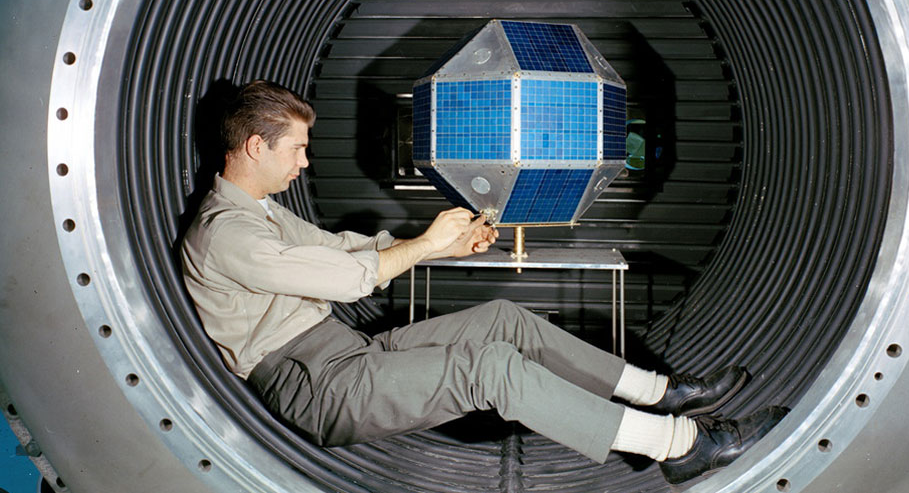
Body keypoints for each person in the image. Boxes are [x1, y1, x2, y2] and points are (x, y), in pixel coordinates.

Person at [181, 80, 786, 484]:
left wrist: (439, 243)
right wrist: (424, 246)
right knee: (490, 368)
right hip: (317, 385)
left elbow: (343, 247)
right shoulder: (226, 233)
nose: (305, 162)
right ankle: (681, 445)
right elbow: (347, 278)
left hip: (344, 354)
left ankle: (660, 393)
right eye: (298, 149)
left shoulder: (260, 212)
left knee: (503, 318)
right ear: (256, 145)